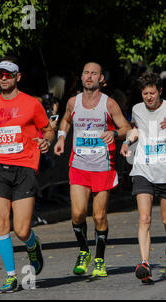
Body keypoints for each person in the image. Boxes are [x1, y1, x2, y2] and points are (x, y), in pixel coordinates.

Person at [0, 56, 54, 292]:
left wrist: (45, 142)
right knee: (1, 223)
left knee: (22, 229)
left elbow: (47, 130)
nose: (3, 78)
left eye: (8, 74)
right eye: (0, 74)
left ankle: (33, 244)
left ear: (17, 77)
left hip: (24, 168)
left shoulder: (31, 103)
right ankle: (12, 276)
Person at [54, 62, 131, 279]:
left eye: (94, 73)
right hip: (78, 165)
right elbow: (66, 121)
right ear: (81, 77)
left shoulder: (110, 104)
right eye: (86, 72)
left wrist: (114, 134)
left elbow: (126, 128)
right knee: (78, 214)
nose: (89, 76)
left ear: (101, 79)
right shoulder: (73, 102)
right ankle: (84, 251)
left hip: (102, 166)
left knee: (99, 216)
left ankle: (99, 258)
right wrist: (61, 139)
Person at [120, 71, 166, 284]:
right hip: (143, 170)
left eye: (152, 93)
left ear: (160, 91)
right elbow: (137, 130)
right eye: (144, 93)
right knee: (144, 218)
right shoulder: (137, 109)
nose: (148, 97)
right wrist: (126, 141)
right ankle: (145, 263)